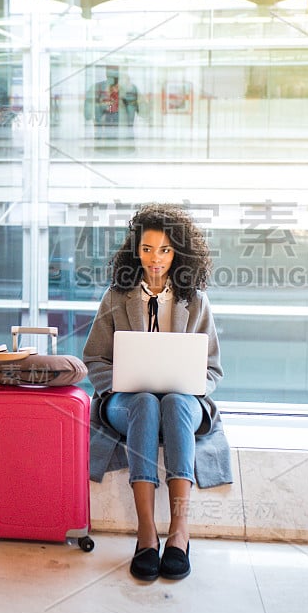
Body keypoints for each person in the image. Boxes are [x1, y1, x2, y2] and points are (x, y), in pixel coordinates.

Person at [83, 203, 232, 582]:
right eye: (147, 249)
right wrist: (123, 381)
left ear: (177, 253)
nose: (155, 259)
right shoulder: (116, 297)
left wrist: (192, 383)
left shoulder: (195, 301)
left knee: (176, 402)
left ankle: (179, 534)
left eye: (164, 250)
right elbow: (94, 359)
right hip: (127, 403)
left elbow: (212, 367)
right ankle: (146, 534)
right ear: (136, 250)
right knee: (147, 402)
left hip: (185, 404)